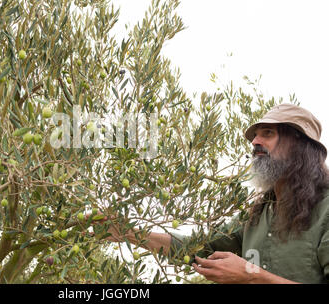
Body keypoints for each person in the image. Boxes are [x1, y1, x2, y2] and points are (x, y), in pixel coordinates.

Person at [101, 103, 329, 284]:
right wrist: (127, 233)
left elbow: (250, 274)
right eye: (255, 136)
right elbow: (197, 246)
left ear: (300, 146)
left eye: (267, 133)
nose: (255, 142)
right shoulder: (259, 213)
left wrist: (252, 276)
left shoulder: (325, 209)